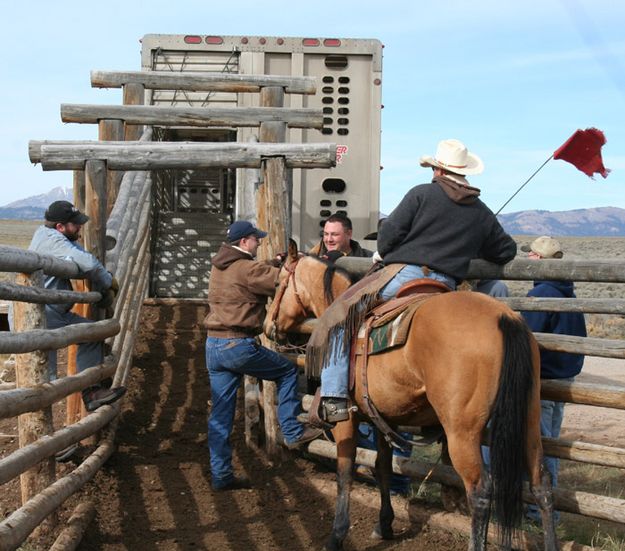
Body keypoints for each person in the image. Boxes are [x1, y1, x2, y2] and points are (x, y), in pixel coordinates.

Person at [314, 138, 517, 425]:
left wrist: (386, 251)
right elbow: (506, 250)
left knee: (341, 315)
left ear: (437, 170)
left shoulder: (421, 194)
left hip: (405, 275)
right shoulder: (480, 211)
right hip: (445, 286)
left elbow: (388, 235)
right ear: (464, 172)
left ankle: (334, 396)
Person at [204, 220, 322, 491]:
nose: (258, 242)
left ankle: (221, 475)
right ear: (245, 242)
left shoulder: (220, 265)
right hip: (239, 345)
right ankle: (292, 431)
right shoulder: (249, 269)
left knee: (220, 416)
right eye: (256, 239)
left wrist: (274, 260)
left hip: (214, 345)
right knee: (288, 371)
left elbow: (251, 271)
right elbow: (282, 280)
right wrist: (291, 264)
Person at [28, 201, 126, 412]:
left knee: (92, 335)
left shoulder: (53, 236)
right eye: (75, 224)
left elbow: (82, 257)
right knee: (45, 381)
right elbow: (89, 264)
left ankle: (92, 389)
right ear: (60, 227)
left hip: (53, 312)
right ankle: (46, 437)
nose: (80, 227)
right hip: (41, 314)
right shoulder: (53, 240)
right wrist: (109, 281)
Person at [520, 236, 587, 522]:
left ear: (540, 260)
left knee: (540, 447)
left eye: (531, 256)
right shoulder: (568, 293)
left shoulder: (541, 294)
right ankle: (547, 507)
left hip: (543, 382)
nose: (528, 260)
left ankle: (540, 511)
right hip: (562, 378)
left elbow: (526, 337)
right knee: (551, 445)